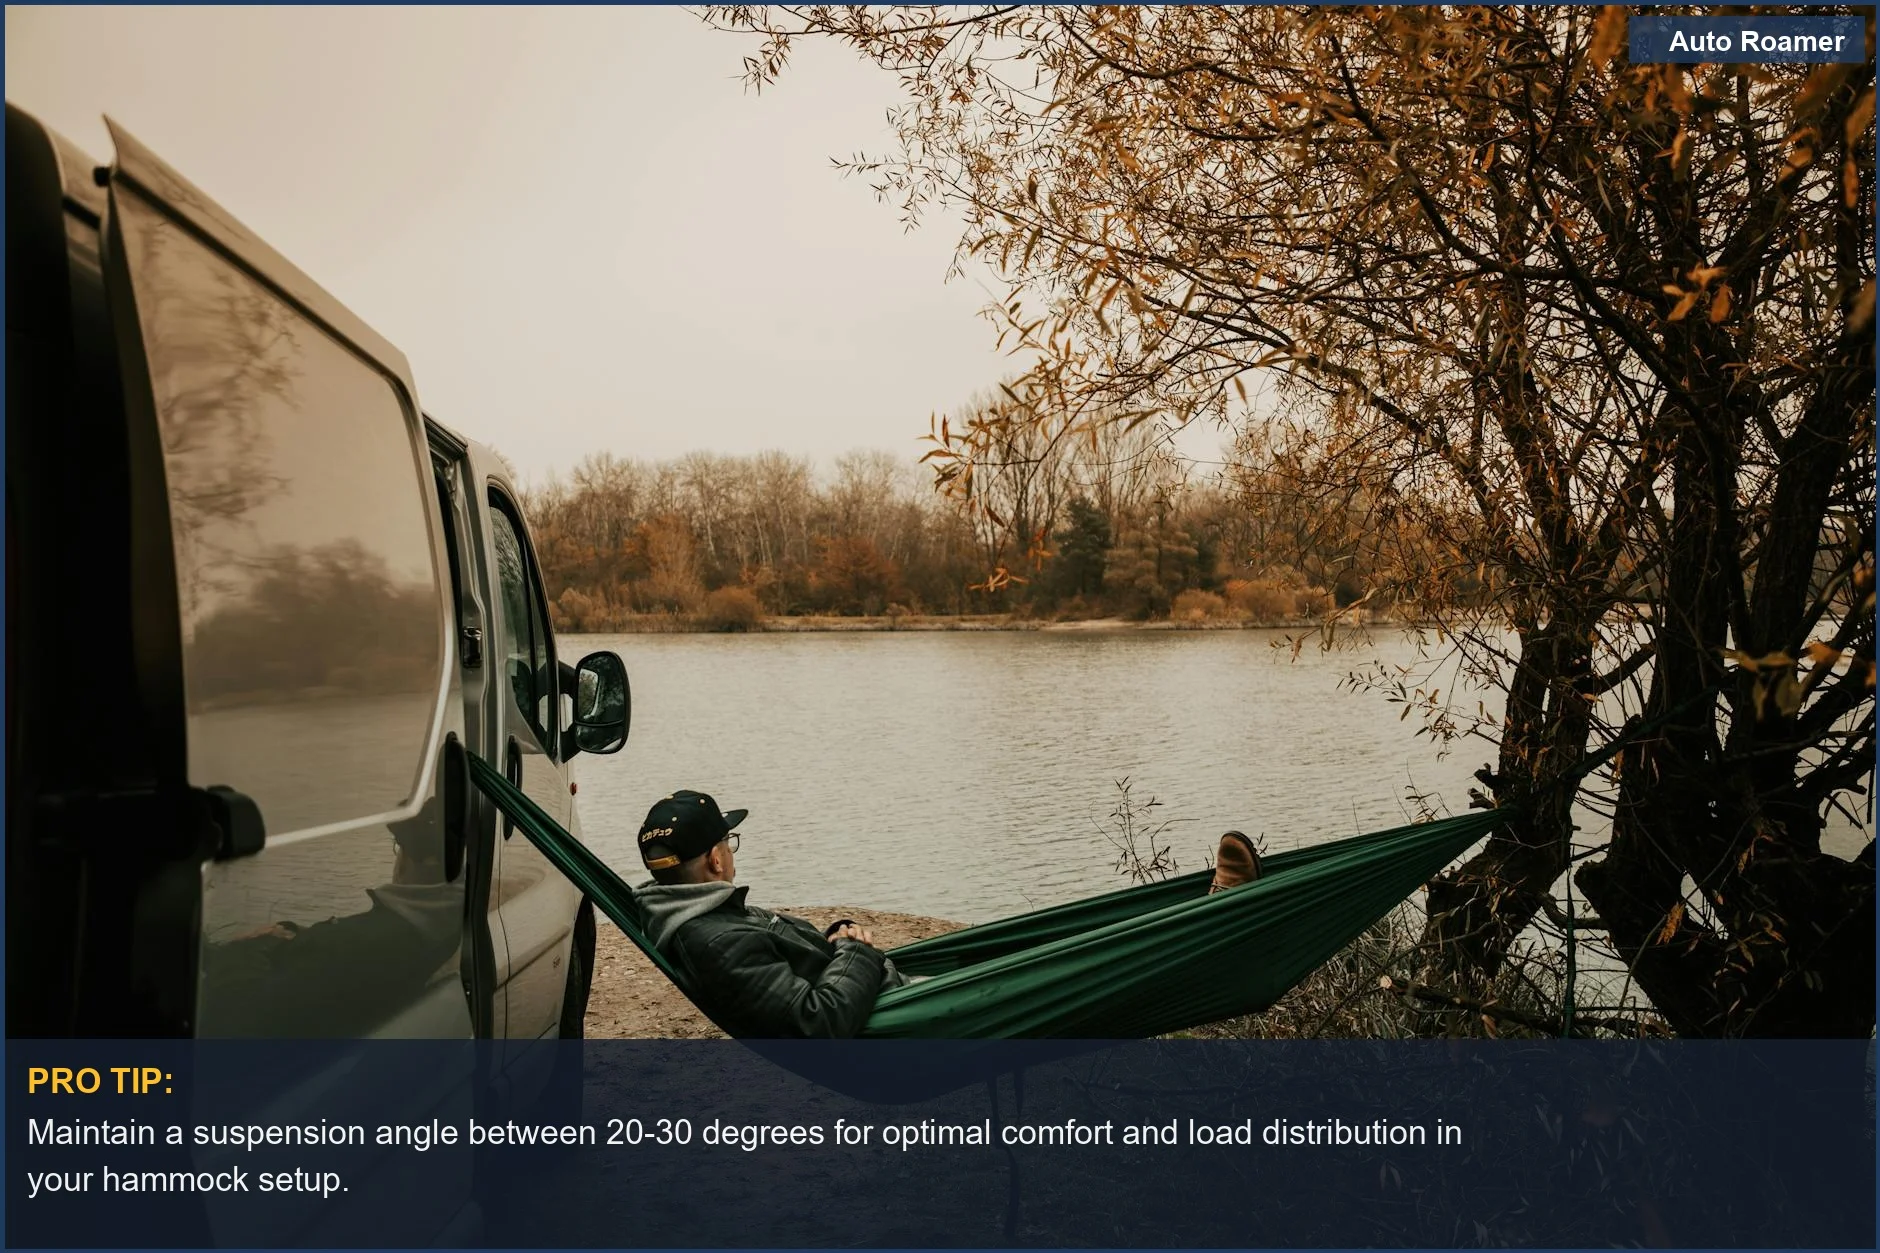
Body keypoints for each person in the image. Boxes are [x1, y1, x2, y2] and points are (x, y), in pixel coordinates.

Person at [634, 791, 1266, 1039]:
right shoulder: (713, 939)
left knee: (1063, 939)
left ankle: (1206, 913)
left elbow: (787, 975)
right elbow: (816, 1025)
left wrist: (836, 940)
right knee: (1083, 974)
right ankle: (1220, 929)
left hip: (900, 993)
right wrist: (857, 949)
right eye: (731, 844)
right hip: (909, 1017)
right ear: (717, 858)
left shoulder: (696, 916)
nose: (732, 854)